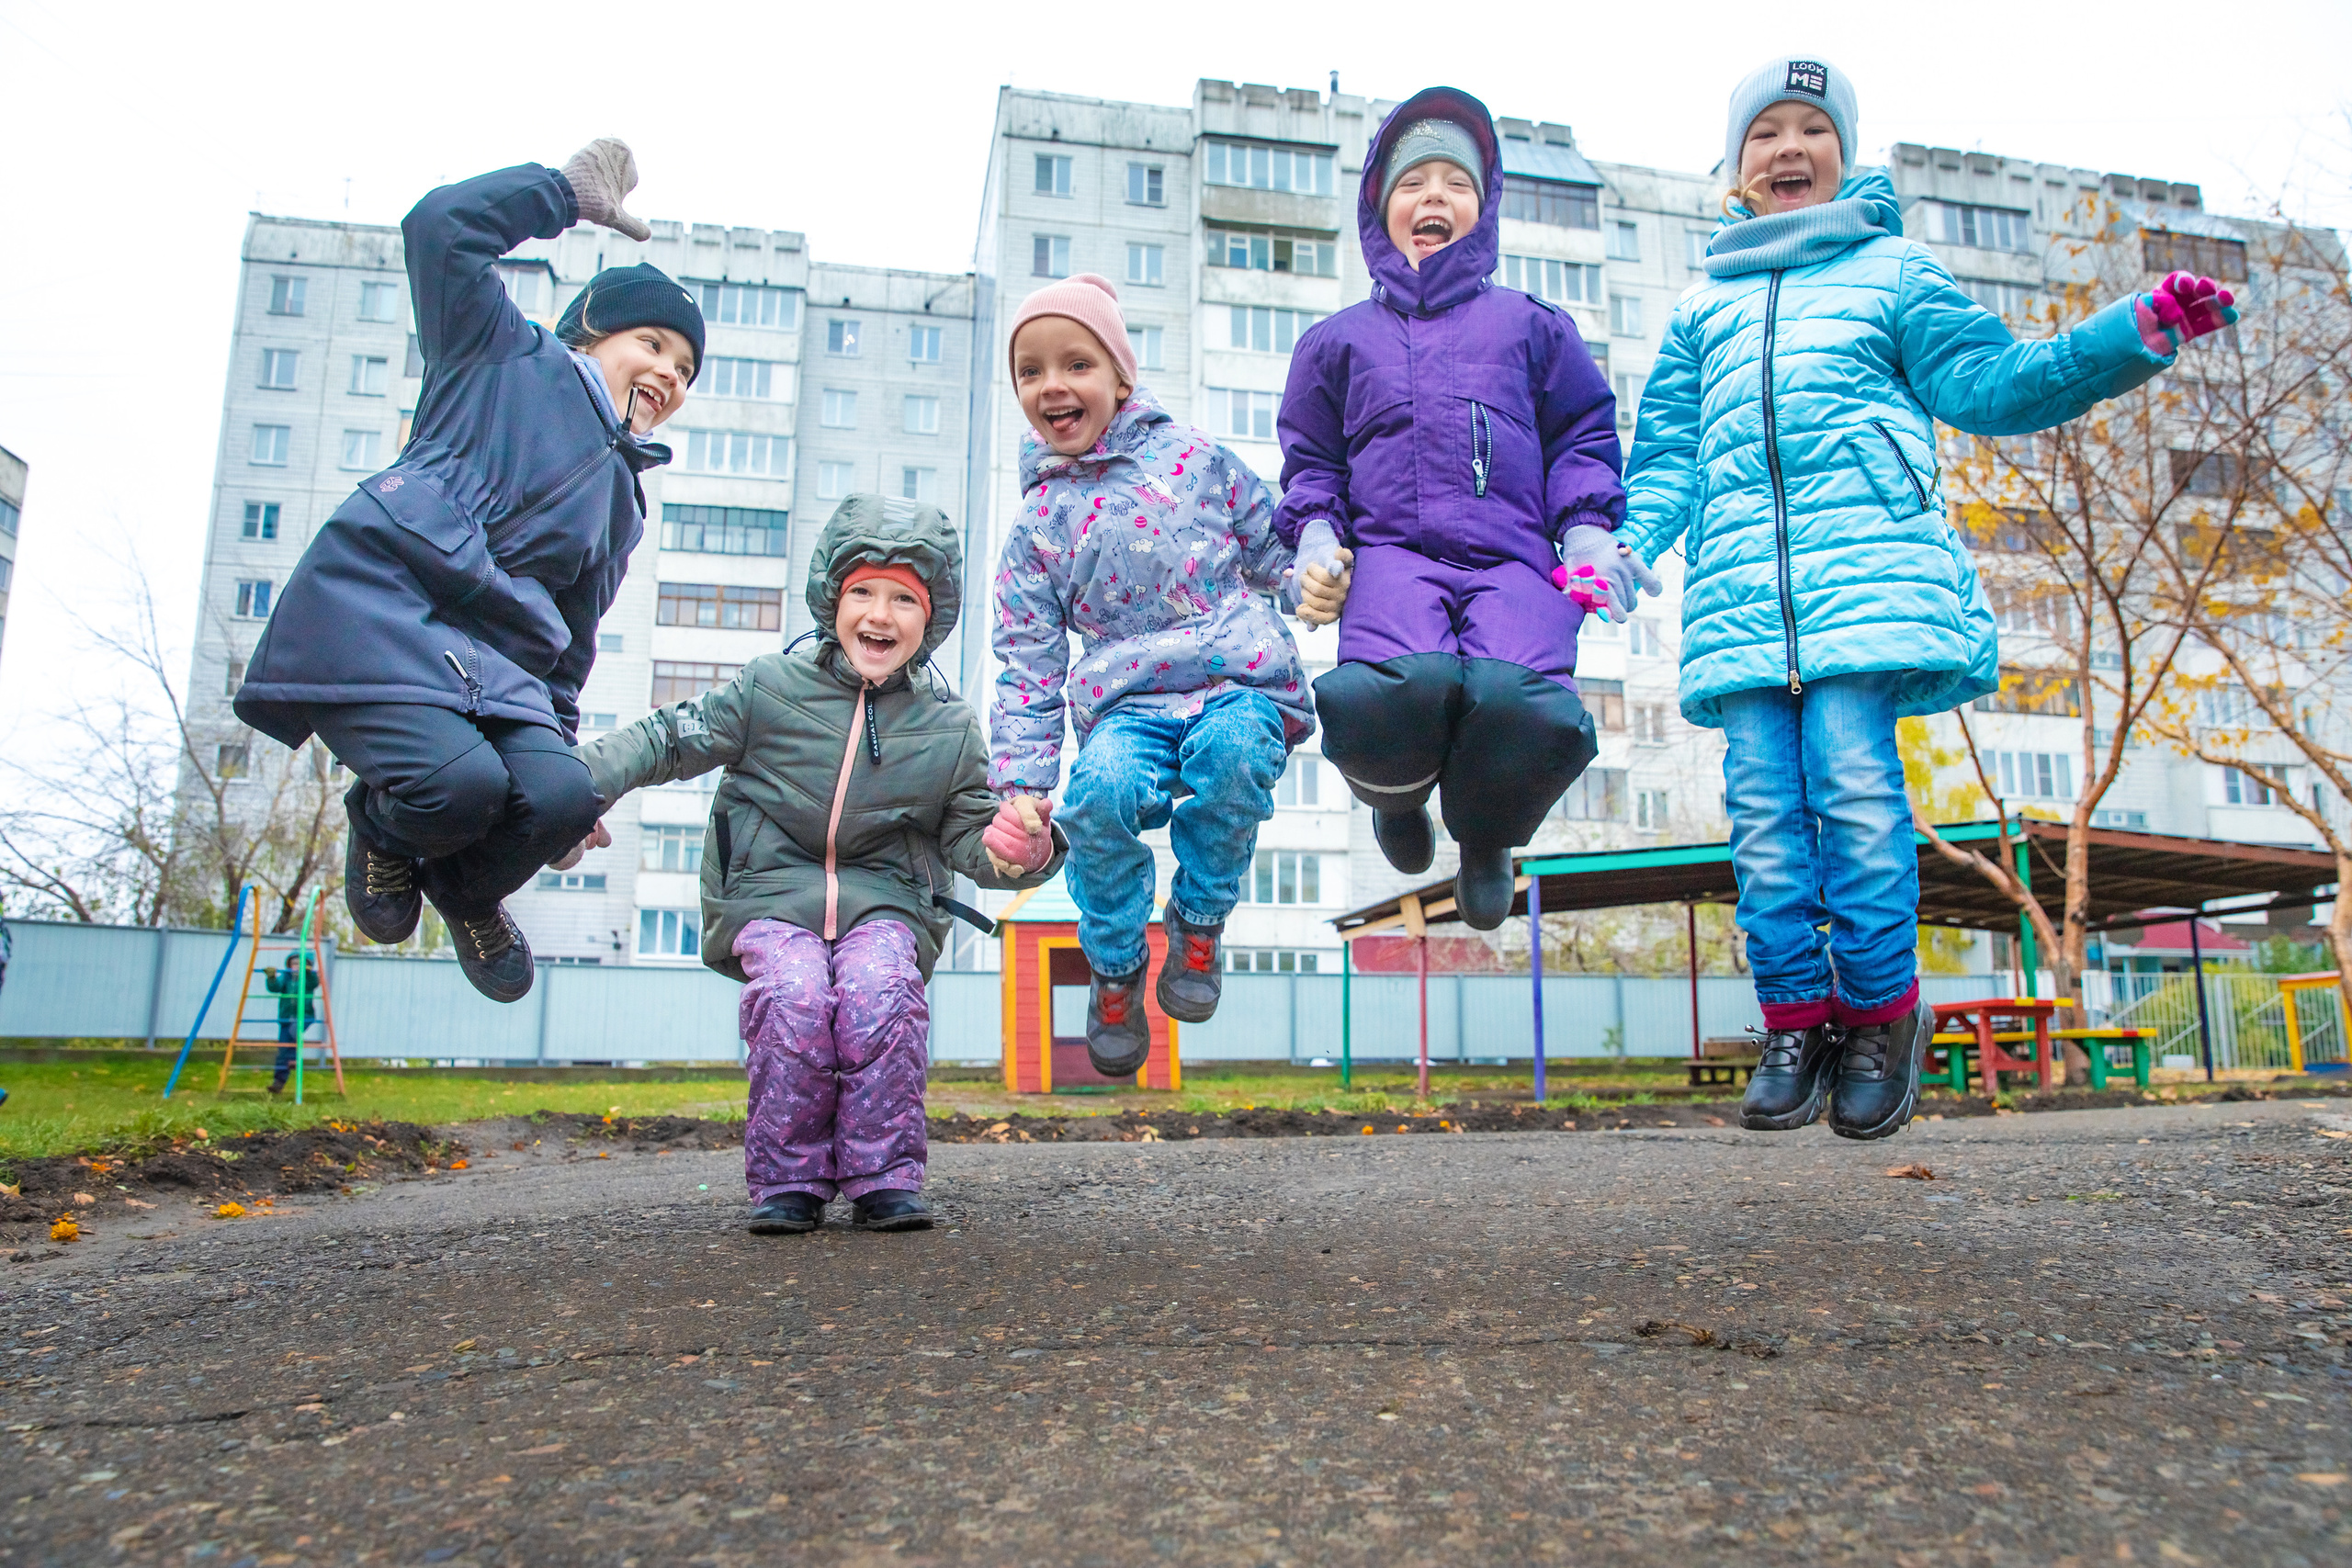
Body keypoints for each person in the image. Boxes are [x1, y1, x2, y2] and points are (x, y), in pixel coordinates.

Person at [1621, 56, 2241, 1139]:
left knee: (1854, 798)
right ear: (1735, 166)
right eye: (1765, 132)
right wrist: (1620, 552)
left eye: (1812, 128)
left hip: (1866, 586)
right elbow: (1667, 458)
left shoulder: (1893, 273)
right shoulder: (1699, 307)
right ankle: (1794, 1018)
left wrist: (2125, 336)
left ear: (1842, 156)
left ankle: (1878, 1016)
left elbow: (1993, 385)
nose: (1789, 149)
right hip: (1737, 607)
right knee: (1765, 822)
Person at [233, 141, 702, 1003]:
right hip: (383, 613)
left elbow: (573, 644)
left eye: (685, 369)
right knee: (460, 787)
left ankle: (466, 892)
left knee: (569, 796)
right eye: (653, 343)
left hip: (495, 676)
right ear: (589, 335)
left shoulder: (624, 502)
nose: (669, 373)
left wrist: (549, 785)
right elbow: (440, 230)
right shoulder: (498, 356)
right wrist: (561, 194)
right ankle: (379, 826)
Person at [571, 495, 1063, 1234]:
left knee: (880, 989)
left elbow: (971, 836)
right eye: (863, 590)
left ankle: (883, 1175)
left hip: (888, 900)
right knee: (797, 997)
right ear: (833, 600)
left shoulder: (948, 726)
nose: (881, 613)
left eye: (905, 599)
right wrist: (579, 784)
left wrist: (1023, 851)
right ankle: (790, 1176)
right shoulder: (771, 688)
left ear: (929, 623)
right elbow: (672, 736)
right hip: (770, 893)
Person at [1274, 86, 1633, 931]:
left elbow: (1582, 433)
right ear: (1379, 210)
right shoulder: (1336, 344)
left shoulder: (1534, 328)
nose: (1434, 195)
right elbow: (1312, 462)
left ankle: (1486, 835)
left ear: (1486, 207)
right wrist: (1317, 538)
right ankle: (1394, 797)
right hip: (1392, 556)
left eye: (1455, 183)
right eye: (1413, 182)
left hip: (1515, 560)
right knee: (1389, 689)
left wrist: (1585, 528)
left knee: (1528, 703)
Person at [989, 275, 1329, 1077]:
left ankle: (1199, 921)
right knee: (1096, 796)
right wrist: (1023, 782)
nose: (1053, 385)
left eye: (1075, 363)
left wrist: (1317, 576)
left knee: (1236, 755)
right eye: (1030, 372)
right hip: (1126, 706)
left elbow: (1272, 543)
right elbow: (1027, 663)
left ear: (1121, 378)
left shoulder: (1196, 457)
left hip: (1234, 680)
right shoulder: (1039, 523)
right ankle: (1114, 965)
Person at [264, 952, 320, 1095]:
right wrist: (271, 978)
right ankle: (279, 1082)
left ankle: (293, 1058)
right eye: (294, 963)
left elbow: (315, 983)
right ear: (289, 965)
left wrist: (309, 973)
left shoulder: (308, 979)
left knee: (293, 1033)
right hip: (286, 1017)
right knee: (283, 1048)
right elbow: (275, 987)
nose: (296, 967)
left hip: (305, 1016)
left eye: (300, 964)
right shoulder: (286, 977)